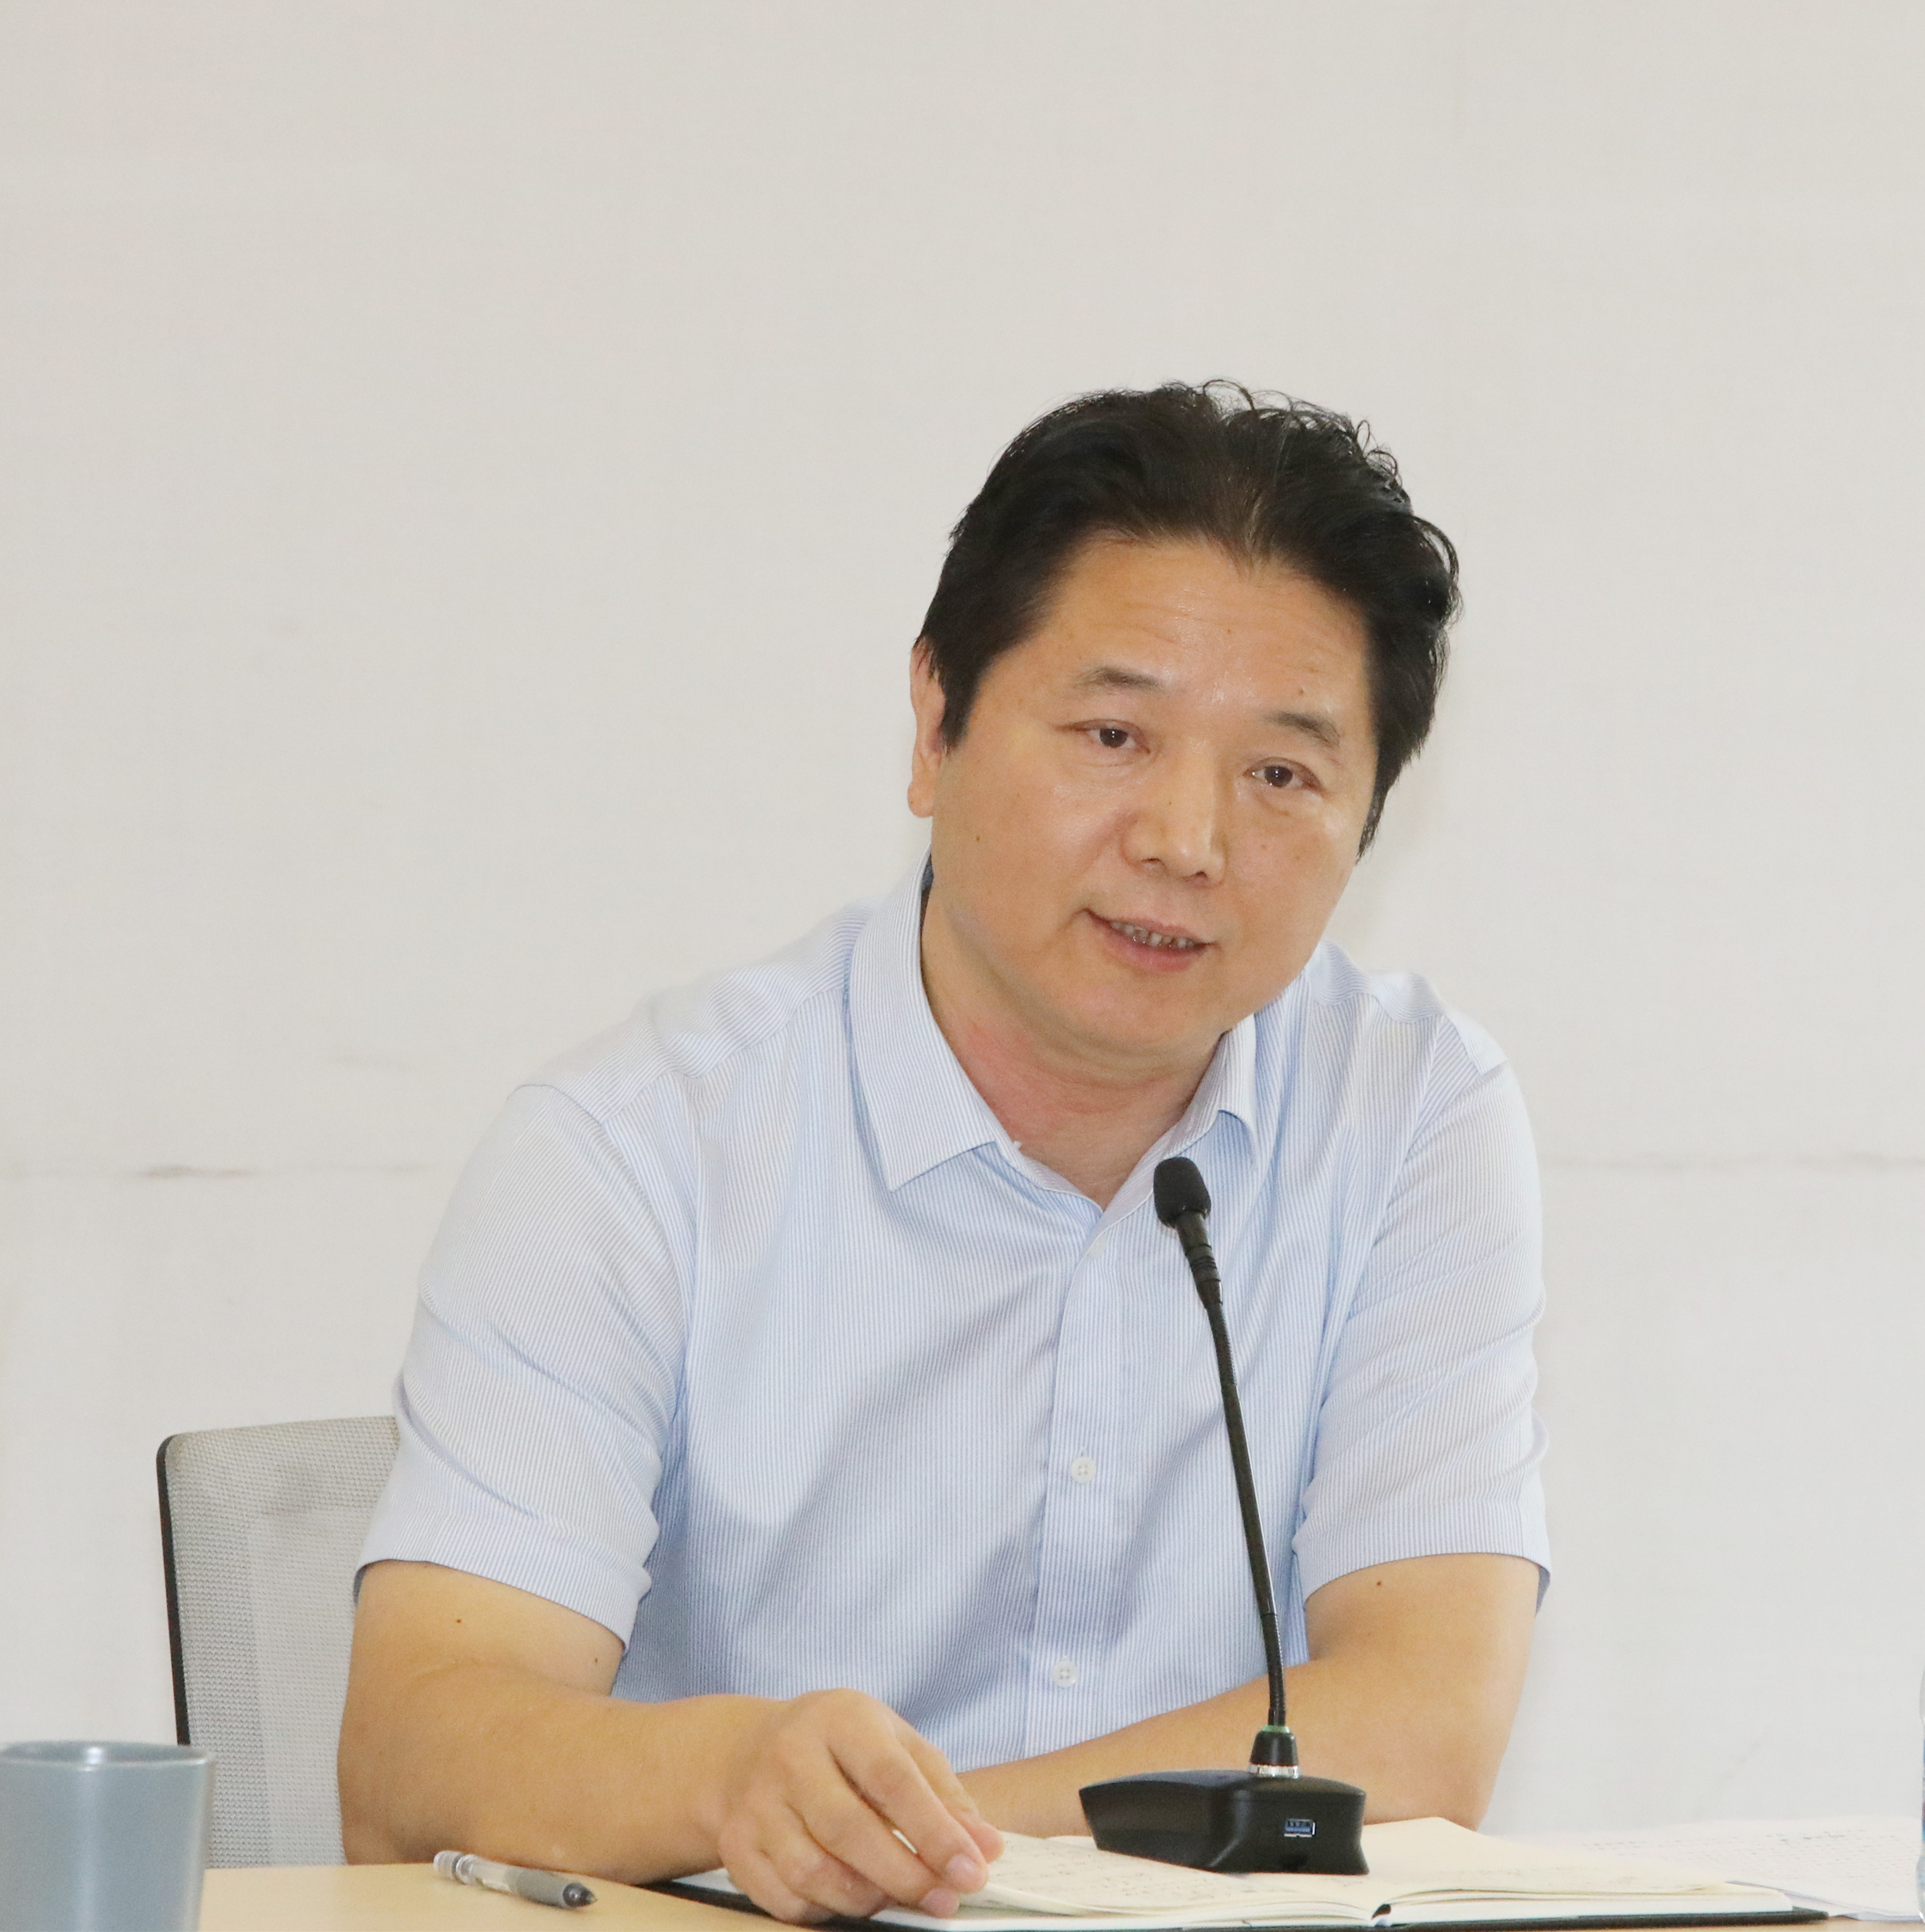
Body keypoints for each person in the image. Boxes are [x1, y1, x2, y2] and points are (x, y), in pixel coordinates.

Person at [340, 383, 1549, 1923]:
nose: (1186, 840)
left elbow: (1425, 1727)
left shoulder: (1413, 1114)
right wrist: (731, 1779)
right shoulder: (636, 1152)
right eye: (1113, 735)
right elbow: (415, 1754)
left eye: (1281, 774)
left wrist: (902, 1842)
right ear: (935, 726)